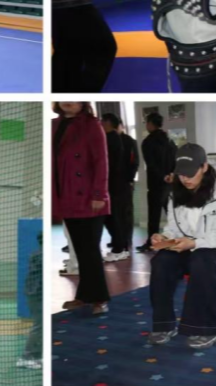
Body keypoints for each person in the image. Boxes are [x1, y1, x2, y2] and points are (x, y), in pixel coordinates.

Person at [148, 144, 216, 349]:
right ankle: (163, 324)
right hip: (187, 246)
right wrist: (164, 237)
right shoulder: (177, 191)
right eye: (181, 174)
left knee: (202, 259)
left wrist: (193, 243)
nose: (185, 179)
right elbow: (174, 227)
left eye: (191, 174)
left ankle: (209, 329)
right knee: (161, 262)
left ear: (204, 167)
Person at [53, 102, 110, 316]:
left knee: (91, 250)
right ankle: (84, 295)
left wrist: (99, 194)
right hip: (67, 197)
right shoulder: (55, 125)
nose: (68, 101)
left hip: (89, 198)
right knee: (80, 250)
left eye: (75, 99)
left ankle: (100, 298)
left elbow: (101, 161)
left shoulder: (92, 125)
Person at [137, 114, 177, 252]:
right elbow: (175, 159)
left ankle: (152, 242)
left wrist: (162, 176)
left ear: (150, 124)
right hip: (170, 183)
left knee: (154, 215)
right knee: (172, 213)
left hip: (156, 183)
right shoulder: (169, 140)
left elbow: (151, 164)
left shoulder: (148, 142)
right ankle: (176, 239)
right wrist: (171, 175)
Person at [101, 113, 136, 261]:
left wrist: (129, 179)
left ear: (108, 123)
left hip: (116, 185)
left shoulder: (114, 139)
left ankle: (120, 247)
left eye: (102, 122)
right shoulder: (113, 138)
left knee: (116, 217)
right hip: (118, 184)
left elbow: (131, 162)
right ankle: (121, 245)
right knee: (117, 217)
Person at [17, 233, 43, 370]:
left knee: (42, 326)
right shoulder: (40, 255)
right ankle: (26, 357)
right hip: (36, 295)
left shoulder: (37, 254)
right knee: (39, 325)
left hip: (37, 293)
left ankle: (37, 355)